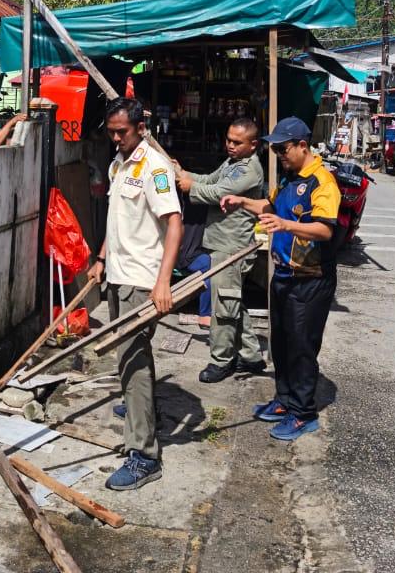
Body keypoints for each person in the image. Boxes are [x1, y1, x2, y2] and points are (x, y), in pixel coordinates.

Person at [221, 116, 341, 443]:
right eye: (275, 150)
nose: (279, 155)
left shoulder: (322, 182)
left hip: (311, 278)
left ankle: (303, 414)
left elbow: (325, 229)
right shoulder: (289, 178)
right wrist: (243, 202)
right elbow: (270, 206)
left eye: (283, 149)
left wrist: (287, 226)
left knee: (302, 346)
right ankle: (284, 401)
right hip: (285, 273)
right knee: (282, 343)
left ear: (303, 145)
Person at [88, 97, 181, 491]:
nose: (115, 138)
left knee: (135, 360)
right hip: (118, 274)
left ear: (140, 128)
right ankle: (137, 411)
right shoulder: (118, 164)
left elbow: (173, 224)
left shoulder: (154, 168)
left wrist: (162, 282)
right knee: (128, 359)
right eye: (111, 132)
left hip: (141, 280)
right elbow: (118, 219)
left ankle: (144, 454)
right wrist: (101, 257)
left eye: (121, 132)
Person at [175, 117, 267, 383]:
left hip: (232, 247)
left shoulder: (249, 169)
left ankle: (221, 360)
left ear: (253, 145)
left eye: (237, 142)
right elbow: (209, 179)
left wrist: (191, 186)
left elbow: (218, 192)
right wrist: (184, 174)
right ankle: (251, 355)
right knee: (231, 302)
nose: (230, 145)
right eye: (228, 140)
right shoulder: (232, 163)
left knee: (222, 308)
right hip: (220, 243)